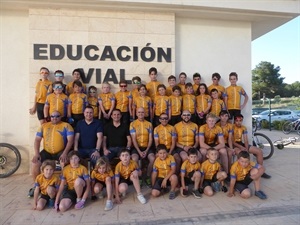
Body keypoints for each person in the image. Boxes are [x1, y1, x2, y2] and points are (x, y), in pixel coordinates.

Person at [30, 110, 74, 197]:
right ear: (50, 117)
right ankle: (37, 186)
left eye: (57, 116)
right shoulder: (44, 126)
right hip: (47, 151)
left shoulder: (66, 126)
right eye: (52, 116)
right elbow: (37, 140)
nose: (55, 118)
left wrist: (65, 153)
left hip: (61, 152)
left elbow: (70, 141)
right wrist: (36, 153)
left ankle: (64, 185)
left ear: (60, 117)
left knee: (64, 162)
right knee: (35, 163)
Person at [232, 114, 271, 179]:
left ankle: (260, 171)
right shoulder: (231, 127)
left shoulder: (243, 128)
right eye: (237, 121)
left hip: (241, 143)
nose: (238, 122)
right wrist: (241, 148)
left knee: (259, 151)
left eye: (240, 121)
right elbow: (232, 142)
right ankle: (241, 174)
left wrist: (246, 149)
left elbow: (246, 140)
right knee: (241, 154)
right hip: (234, 145)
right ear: (234, 121)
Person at [130, 107, 155, 184]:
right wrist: (139, 151)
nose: (141, 114)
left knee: (152, 159)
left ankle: (147, 176)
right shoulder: (132, 124)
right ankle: (139, 177)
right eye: (139, 112)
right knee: (134, 159)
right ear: (136, 113)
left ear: (145, 114)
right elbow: (133, 139)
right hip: (136, 147)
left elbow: (150, 138)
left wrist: (146, 150)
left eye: (142, 112)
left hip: (147, 147)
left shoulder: (149, 124)